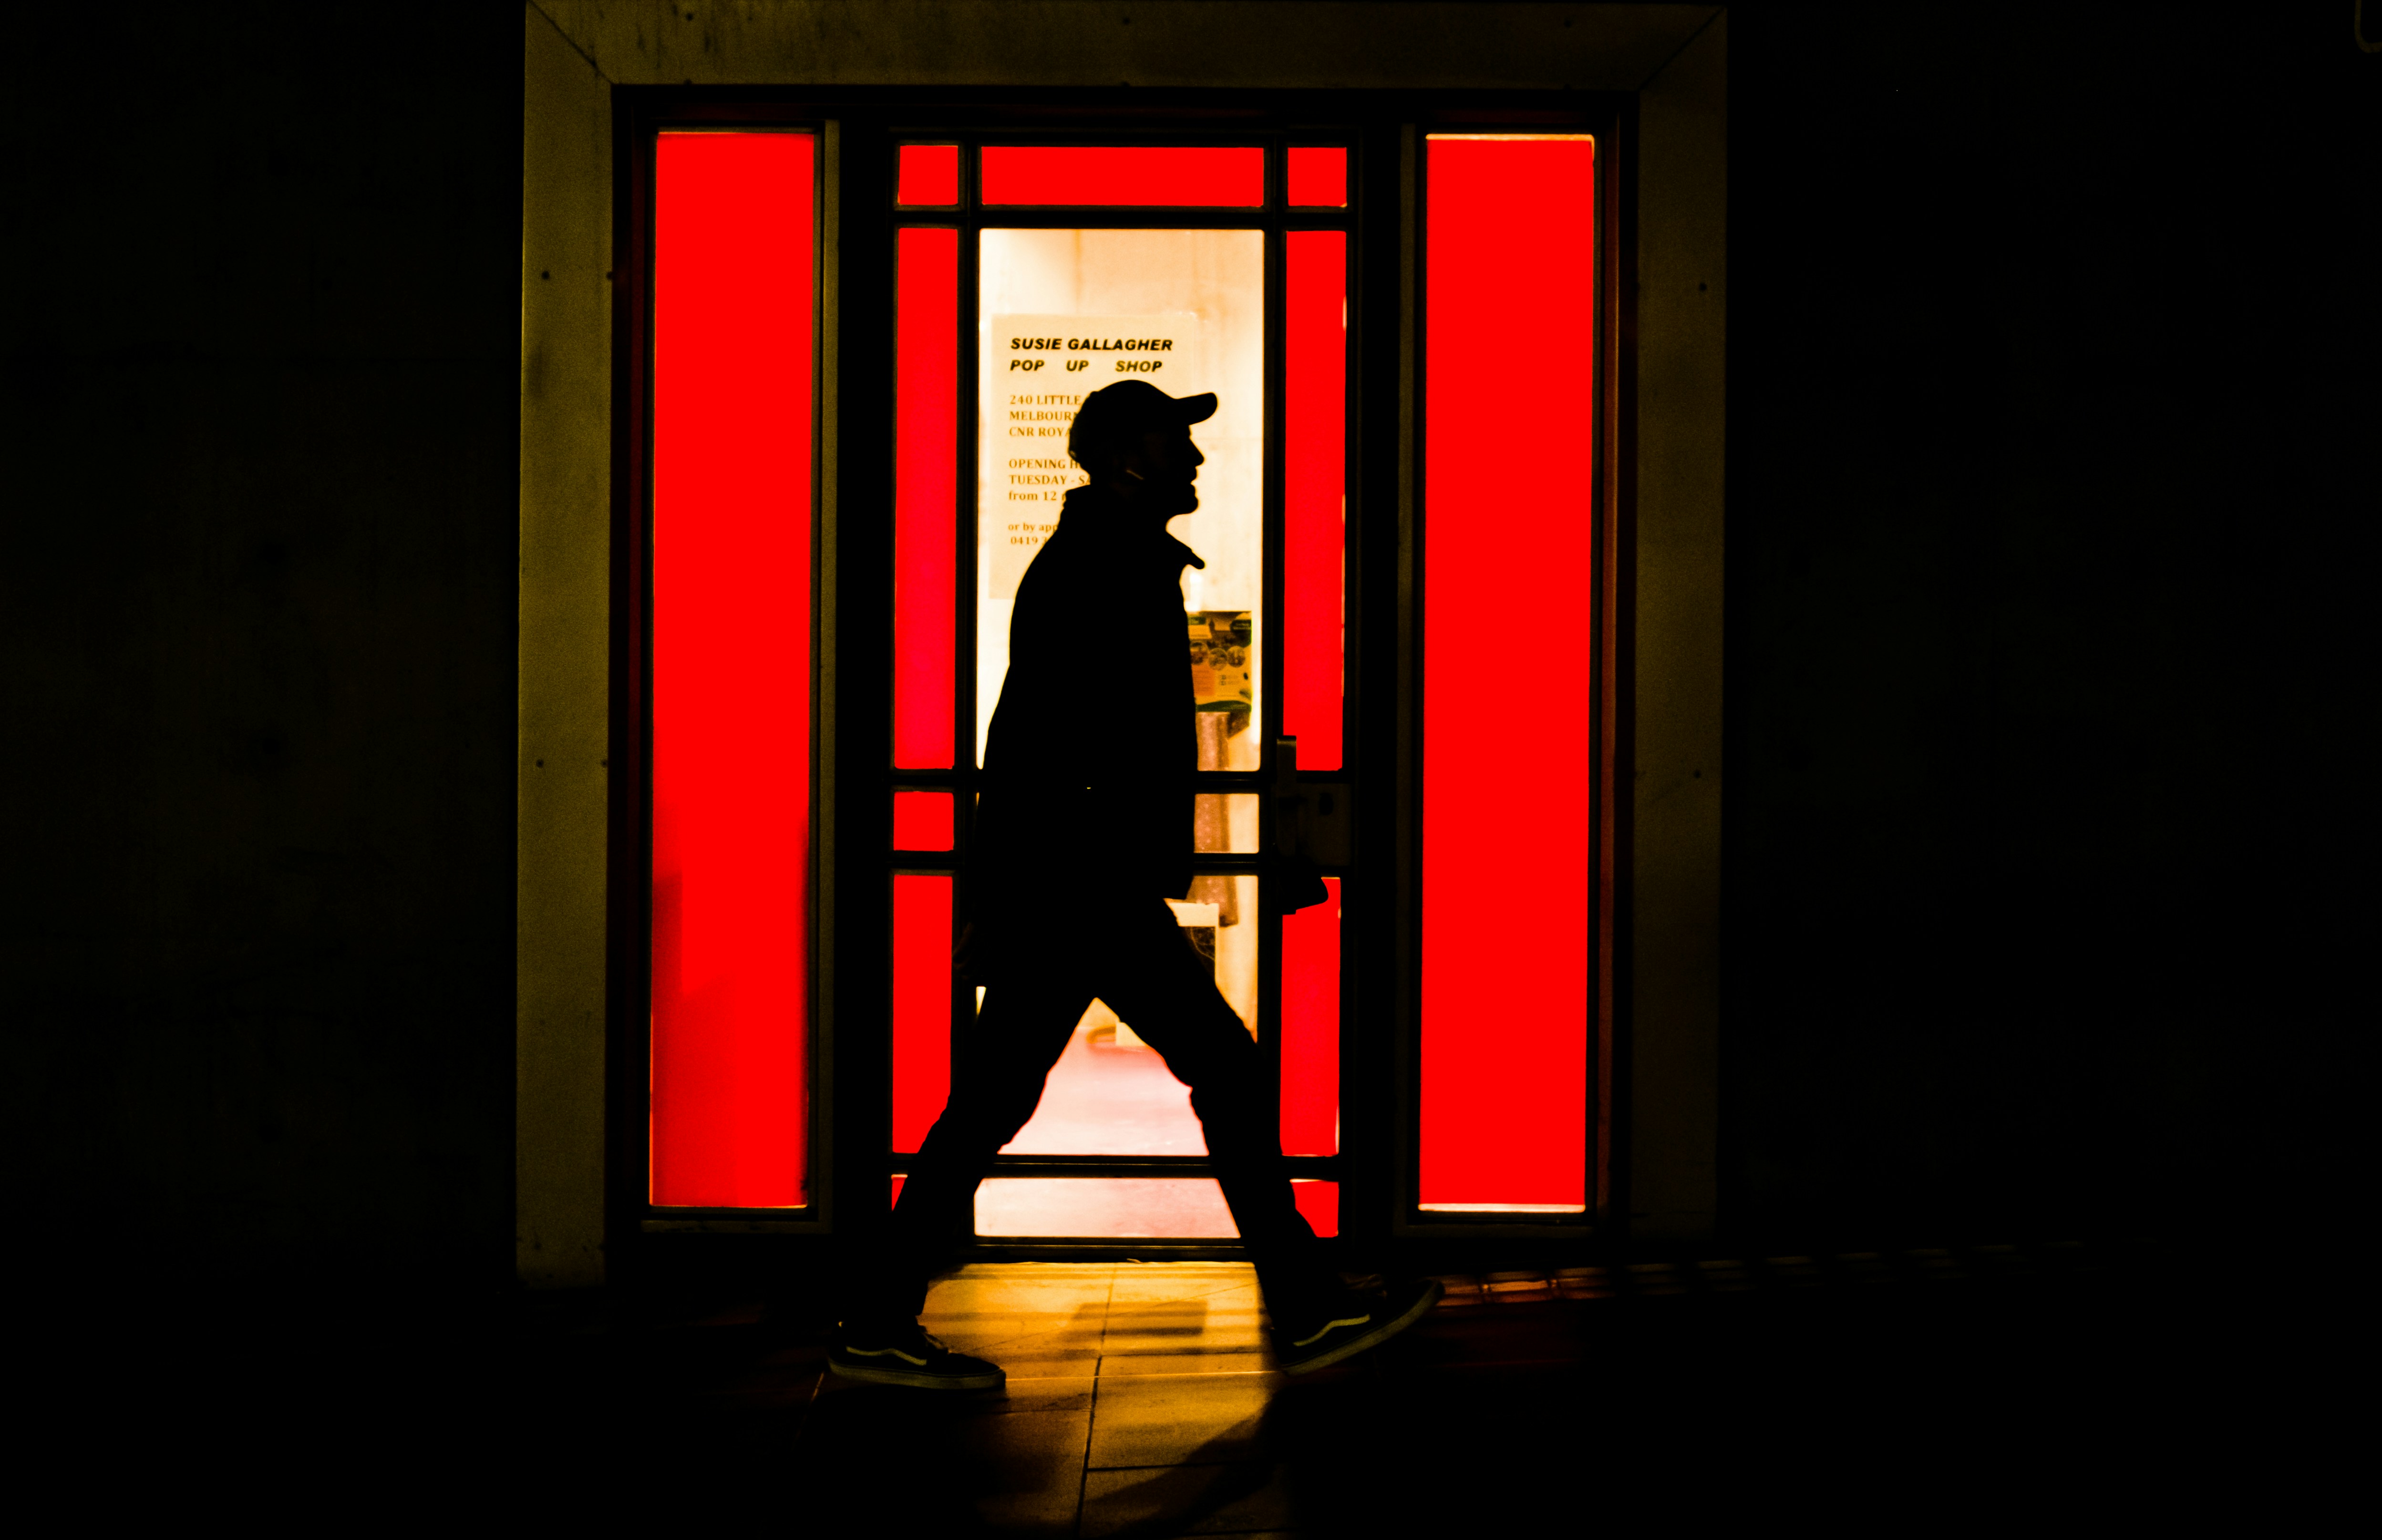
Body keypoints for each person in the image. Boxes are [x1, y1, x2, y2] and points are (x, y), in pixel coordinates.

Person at [828, 379, 1440, 1390]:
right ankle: (1305, 1304)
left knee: (990, 1100)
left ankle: (876, 1317)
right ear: (1123, 457)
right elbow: (1029, 745)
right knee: (1226, 1069)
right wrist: (1012, 890)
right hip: (1087, 883)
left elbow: (1026, 741)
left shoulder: (1103, 563)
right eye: (1174, 442)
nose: (1194, 459)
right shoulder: (1105, 570)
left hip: (1071, 880)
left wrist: (999, 891)